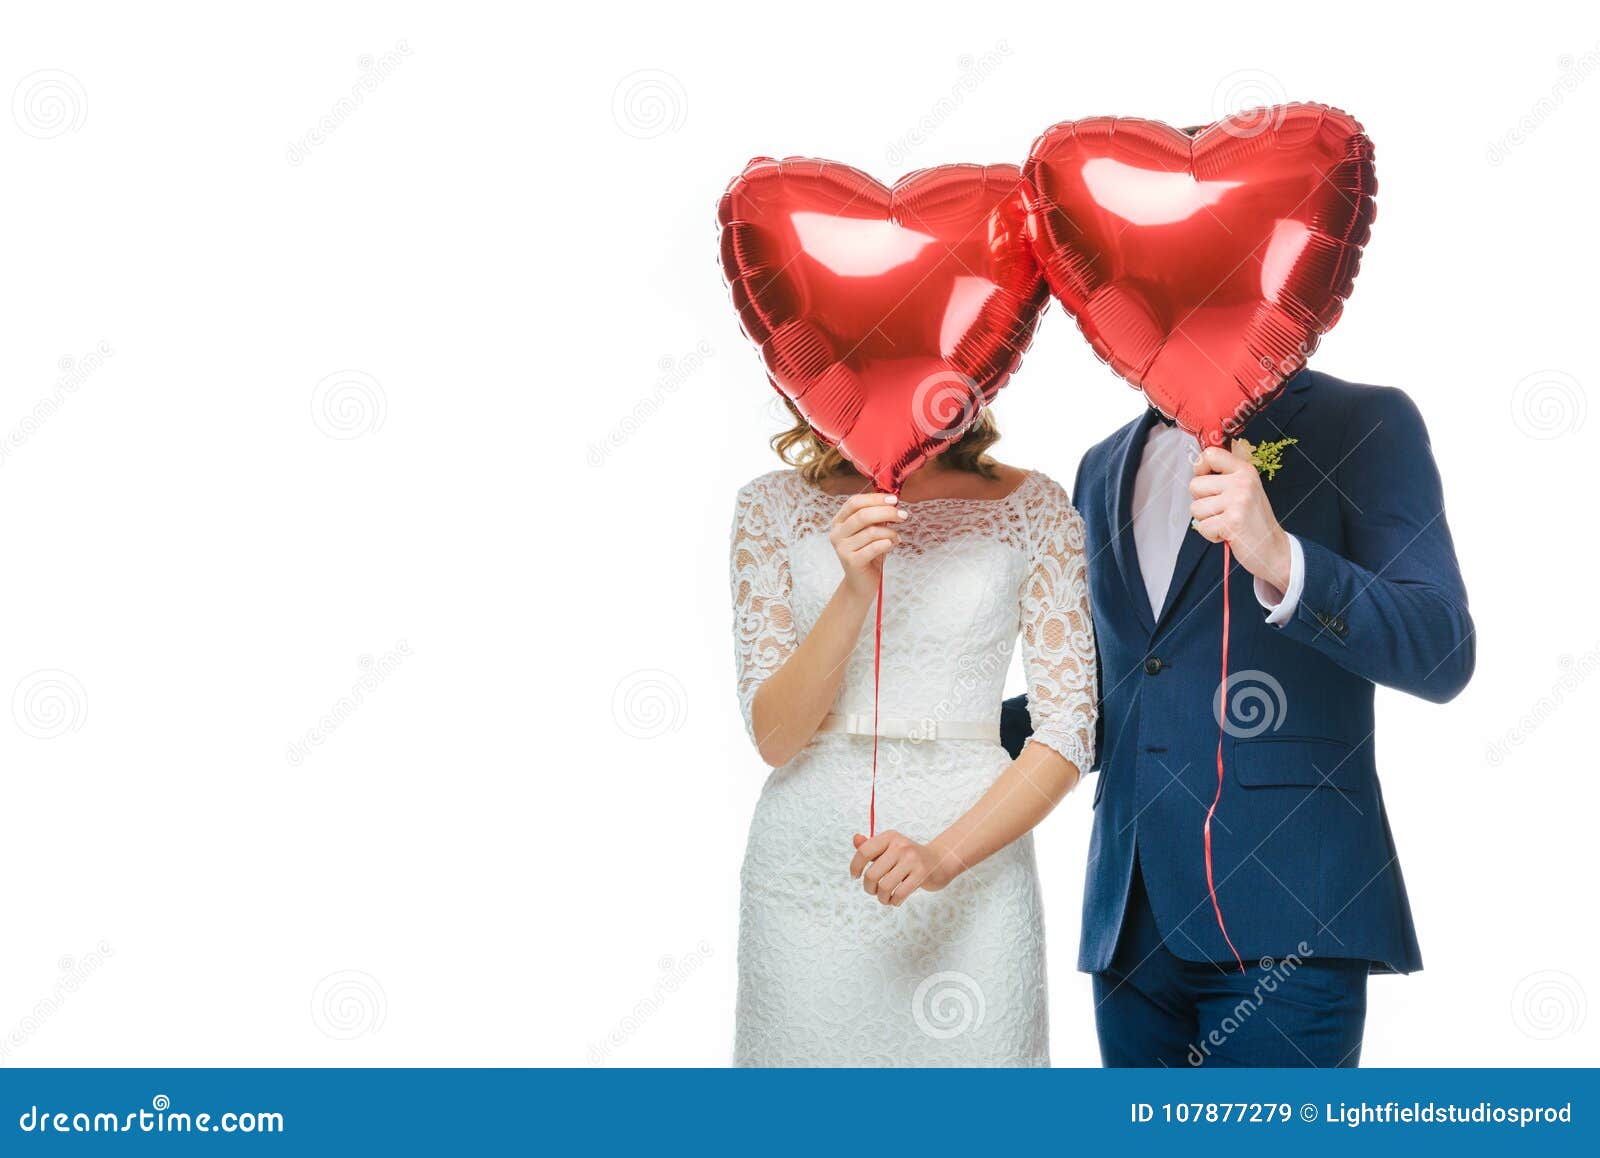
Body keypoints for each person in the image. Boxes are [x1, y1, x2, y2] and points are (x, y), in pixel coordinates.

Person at [1002, 369, 1474, 1067]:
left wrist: (1282, 559)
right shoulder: (1101, 464)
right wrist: (938, 729)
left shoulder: (1363, 420)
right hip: (1129, 922)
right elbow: (1115, 698)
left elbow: (1442, 649)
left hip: (1291, 920)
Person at [729, 402, 1097, 1066]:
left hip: (974, 871)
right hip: (808, 878)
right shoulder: (769, 507)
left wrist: (941, 858)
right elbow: (776, 738)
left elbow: (1069, 730)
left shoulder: (1035, 506)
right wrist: (852, 588)